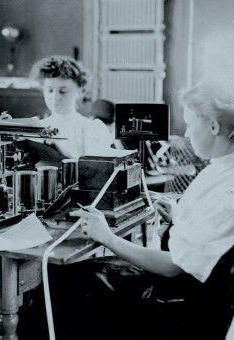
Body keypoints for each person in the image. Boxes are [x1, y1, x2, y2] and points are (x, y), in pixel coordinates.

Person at [49, 74, 234, 340]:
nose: (187, 133)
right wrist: (179, 217)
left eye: (191, 124)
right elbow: (205, 235)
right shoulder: (223, 165)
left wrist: (107, 237)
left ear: (214, 126)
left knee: (66, 278)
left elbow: (173, 267)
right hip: (186, 291)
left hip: (180, 308)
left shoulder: (228, 188)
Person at [1, 56, 113, 160]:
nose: (55, 97)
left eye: (63, 91)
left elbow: (95, 171)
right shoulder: (36, 125)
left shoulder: (90, 128)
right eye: (50, 90)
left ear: (80, 92)